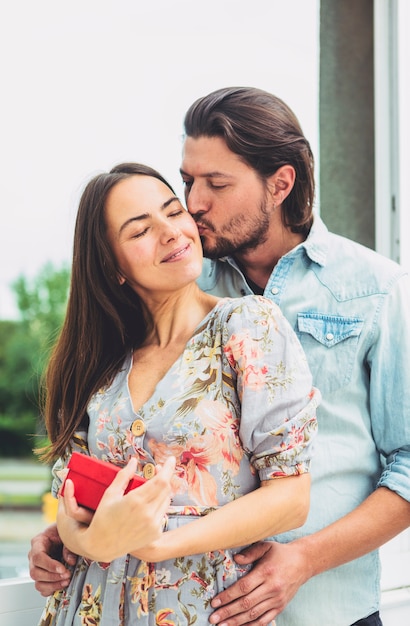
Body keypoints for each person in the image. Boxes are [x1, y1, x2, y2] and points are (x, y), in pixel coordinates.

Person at [29, 86, 410, 625]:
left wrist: (303, 559)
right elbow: (110, 461)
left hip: (328, 606)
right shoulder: (176, 283)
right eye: (187, 181)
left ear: (280, 184)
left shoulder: (376, 290)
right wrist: (71, 531)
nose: (194, 204)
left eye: (216, 184)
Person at [35, 161, 319, 626]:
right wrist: (93, 543)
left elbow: (291, 498)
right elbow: (69, 500)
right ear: (113, 266)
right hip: (88, 608)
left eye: (173, 211)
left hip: (201, 609)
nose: (171, 232)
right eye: (140, 230)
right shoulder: (99, 359)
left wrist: (159, 544)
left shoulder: (247, 326)